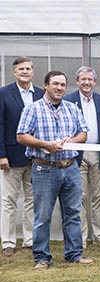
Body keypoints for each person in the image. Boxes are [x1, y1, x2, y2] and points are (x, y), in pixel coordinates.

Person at [15, 70, 92, 269]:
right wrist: (43, 144)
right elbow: (21, 136)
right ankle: (41, 257)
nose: (59, 88)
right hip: (44, 169)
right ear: (46, 85)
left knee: (73, 213)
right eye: (55, 84)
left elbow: (83, 133)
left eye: (62, 85)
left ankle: (74, 254)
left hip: (70, 167)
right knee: (42, 215)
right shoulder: (33, 109)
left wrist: (72, 140)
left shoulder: (72, 109)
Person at [63, 66, 100, 247]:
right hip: (77, 154)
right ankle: (81, 237)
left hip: (98, 153)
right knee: (80, 196)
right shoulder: (68, 101)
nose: (86, 82)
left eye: (89, 79)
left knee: (99, 196)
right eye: (83, 79)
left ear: (94, 82)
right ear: (77, 81)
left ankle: (99, 236)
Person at [0, 56, 43, 256]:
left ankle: (30, 239)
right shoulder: (4, 94)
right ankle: (8, 241)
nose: (25, 72)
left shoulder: (42, 94)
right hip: (11, 156)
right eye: (21, 69)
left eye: (28, 69)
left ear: (33, 72)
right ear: (14, 72)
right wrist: (1, 155)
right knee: (8, 200)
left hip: (36, 157)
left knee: (32, 199)